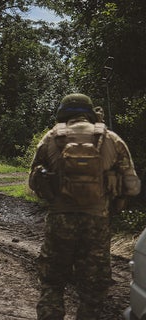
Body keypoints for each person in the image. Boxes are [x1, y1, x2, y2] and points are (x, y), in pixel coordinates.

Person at [28, 93, 141, 320]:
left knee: (52, 283)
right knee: (93, 291)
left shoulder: (51, 138)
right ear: (89, 113)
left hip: (60, 222)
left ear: (63, 113)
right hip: (97, 223)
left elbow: (33, 182)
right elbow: (133, 187)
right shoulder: (112, 139)